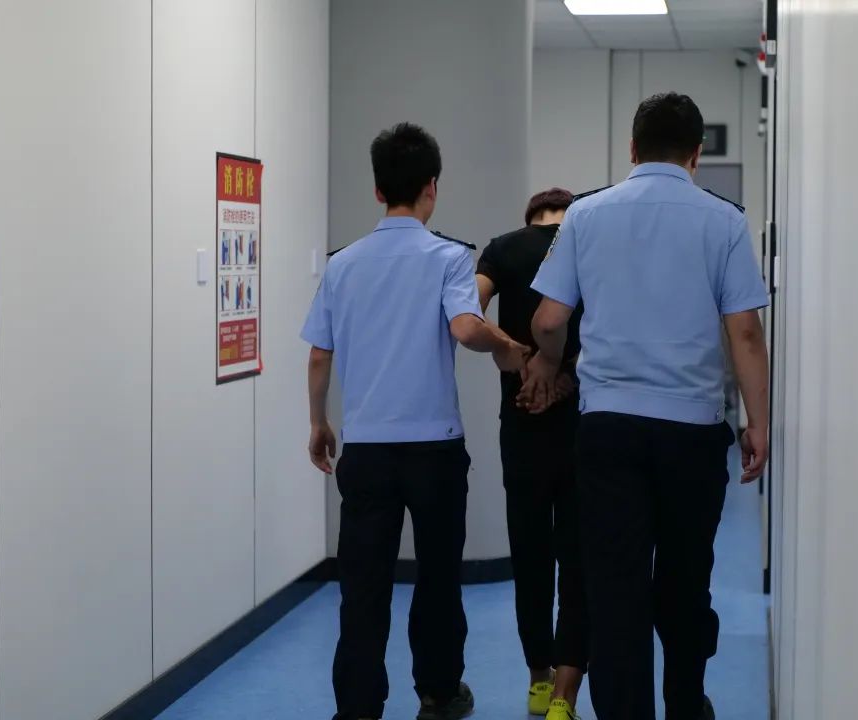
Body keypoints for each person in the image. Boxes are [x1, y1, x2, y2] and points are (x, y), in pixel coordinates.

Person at [520, 93, 771, 720]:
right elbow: (745, 333)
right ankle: (685, 703)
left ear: (632, 149)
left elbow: (548, 319)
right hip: (692, 431)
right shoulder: (725, 222)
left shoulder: (584, 215)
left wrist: (549, 361)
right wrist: (758, 423)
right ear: (696, 154)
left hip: (608, 432)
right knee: (686, 582)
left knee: (615, 588)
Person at [301, 122, 531, 720]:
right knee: (437, 579)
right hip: (434, 451)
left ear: (379, 190)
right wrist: (507, 347)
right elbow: (465, 327)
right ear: (432, 187)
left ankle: (357, 707)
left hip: (367, 451)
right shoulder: (450, 257)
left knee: (363, 585)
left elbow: (320, 355)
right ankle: (438, 692)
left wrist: (319, 423)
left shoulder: (342, 265)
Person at [475, 188, 588, 720]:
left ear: (531, 218)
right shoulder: (586, 243)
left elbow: (465, 312)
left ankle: (538, 679)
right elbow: (613, 325)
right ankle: (566, 694)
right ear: (569, 212)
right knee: (579, 559)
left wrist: (513, 353)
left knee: (530, 555)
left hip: (520, 422)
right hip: (582, 423)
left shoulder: (502, 248)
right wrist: (565, 373)